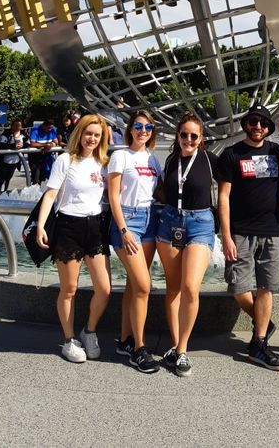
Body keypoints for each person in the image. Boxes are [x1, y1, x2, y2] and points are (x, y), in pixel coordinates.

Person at [36, 114, 111, 363]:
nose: (92, 138)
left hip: (96, 227)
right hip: (68, 226)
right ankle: (69, 340)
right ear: (80, 133)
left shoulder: (103, 162)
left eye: (97, 135)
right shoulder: (65, 160)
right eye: (88, 133)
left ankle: (89, 331)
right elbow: (50, 195)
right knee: (69, 288)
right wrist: (40, 227)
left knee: (104, 288)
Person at [217, 104, 279, 371]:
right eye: (253, 121)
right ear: (245, 124)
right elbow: (223, 197)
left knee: (267, 287)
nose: (258, 126)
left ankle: (258, 343)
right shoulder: (231, 154)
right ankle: (263, 324)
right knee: (238, 288)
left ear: (269, 127)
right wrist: (226, 235)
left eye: (263, 123)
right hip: (240, 231)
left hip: (271, 230)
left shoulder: (276, 152)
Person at [156, 112, 218, 377]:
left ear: (201, 138)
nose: (188, 139)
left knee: (190, 287)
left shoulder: (209, 159)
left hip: (201, 224)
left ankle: (182, 350)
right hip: (170, 221)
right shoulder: (171, 160)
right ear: (177, 136)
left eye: (194, 135)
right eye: (184, 135)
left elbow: (232, 188)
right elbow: (161, 190)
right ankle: (175, 346)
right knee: (173, 288)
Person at [108, 109, 163, 374]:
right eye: (139, 126)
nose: (143, 131)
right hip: (127, 221)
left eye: (148, 127)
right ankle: (140, 349)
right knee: (143, 285)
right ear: (130, 129)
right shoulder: (120, 156)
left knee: (133, 284)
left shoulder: (153, 159)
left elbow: (160, 190)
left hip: (150, 220)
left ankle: (125, 340)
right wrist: (123, 229)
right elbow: (113, 195)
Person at [0, 118, 29, 193]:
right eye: (15, 125)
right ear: (12, 126)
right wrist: (13, 146)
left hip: (15, 161)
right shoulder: (6, 133)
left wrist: (22, 145)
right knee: (1, 179)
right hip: (3, 161)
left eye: (19, 125)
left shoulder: (23, 134)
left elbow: (28, 143)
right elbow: (2, 145)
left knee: (8, 178)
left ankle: (4, 192)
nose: (17, 127)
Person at [29, 117, 58, 184]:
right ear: (44, 125)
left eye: (51, 128)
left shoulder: (52, 130)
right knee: (36, 179)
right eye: (48, 128)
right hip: (35, 158)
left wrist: (51, 145)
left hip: (47, 157)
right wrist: (45, 145)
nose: (50, 129)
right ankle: (34, 193)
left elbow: (56, 142)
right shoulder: (35, 130)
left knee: (43, 178)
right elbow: (32, 143)